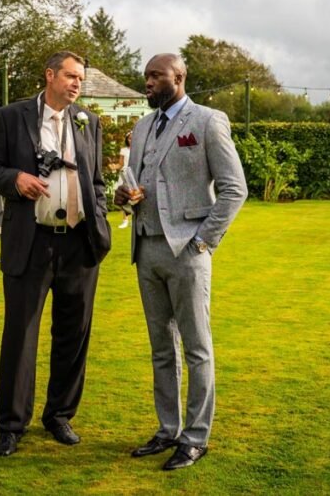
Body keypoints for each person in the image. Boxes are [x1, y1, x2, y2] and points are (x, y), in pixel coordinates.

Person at [114, 53, 247, 471]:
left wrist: (203, 241)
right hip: (145, 247)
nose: (148, 82)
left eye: (156, 75)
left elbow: (234, 189)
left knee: (196, 349)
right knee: (160, 349)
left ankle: (195, 438)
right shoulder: (141, 126)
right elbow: (133, 181)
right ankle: (167, 430)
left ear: (179, 77)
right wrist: (123, 196)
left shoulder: (207, 121)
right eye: (146, 76)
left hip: (187, 251)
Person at [0, 50, 112, 457]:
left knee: (73, 334)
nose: (77, 84)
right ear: (50, 75)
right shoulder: (12, 116)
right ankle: (11, 425)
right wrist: (16, 179)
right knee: (20, 335)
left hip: (78, 243)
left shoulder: (89, 122)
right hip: (31, 241)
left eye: (81, 79)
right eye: (71, 76)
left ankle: (59, 416)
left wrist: (101, 225)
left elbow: (97, 181)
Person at [118, 131, 133, 229]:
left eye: (133, 138)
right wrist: (115, 166)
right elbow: (120, 164)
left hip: (135, 175)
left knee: (136, 198)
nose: (131, 140)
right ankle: (125, 220)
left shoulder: (140, 149)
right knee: (125, 198)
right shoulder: (124, 150)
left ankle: (135, 219)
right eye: (129, 138)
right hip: (125, 175)